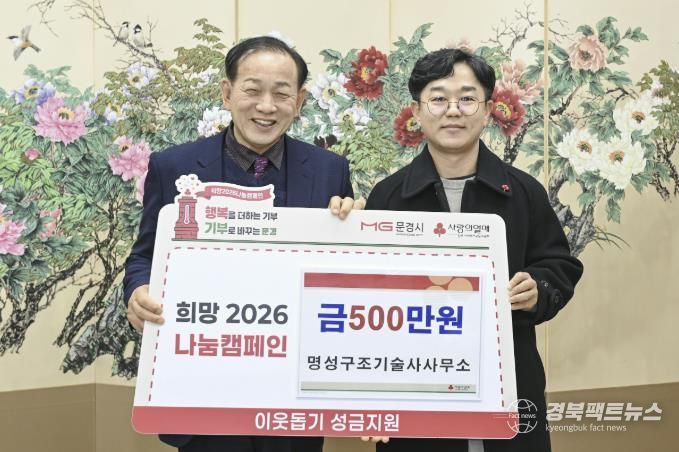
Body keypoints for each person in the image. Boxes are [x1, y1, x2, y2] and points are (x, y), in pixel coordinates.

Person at [123, 36, 359, 452]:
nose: (266, 106)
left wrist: (353, 229)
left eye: (281, 94)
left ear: (300, 102)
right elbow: (145, 256)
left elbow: (344, 270)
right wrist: (138, 291)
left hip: (293, 393)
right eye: (252, 90)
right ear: (227, 93)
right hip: (204, 390)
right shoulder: (173, 166)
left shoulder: (330, 170)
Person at [364, 48, 584, 452]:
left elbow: (558, 264)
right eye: (438, 98)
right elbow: (365, 295)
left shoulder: (523, 192)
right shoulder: (388, 197)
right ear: (417, 110)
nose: (453, 110)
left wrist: (538, 288)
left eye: (467, 99)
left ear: (486, 111)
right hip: (415, 387)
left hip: (508, 381)